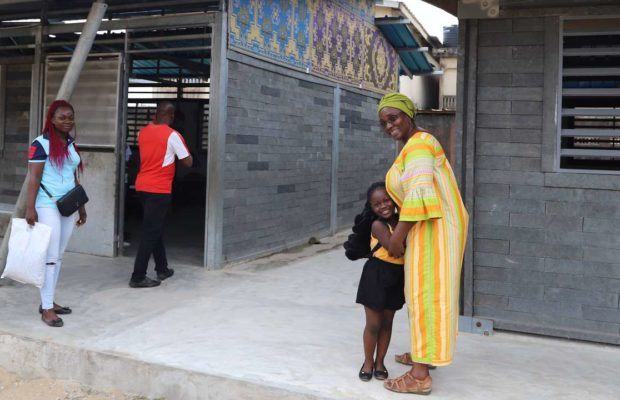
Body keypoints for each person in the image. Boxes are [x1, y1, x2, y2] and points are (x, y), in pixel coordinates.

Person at [378, 93, 469, 395]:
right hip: (431, 228)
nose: (389, 124)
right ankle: (424, 355)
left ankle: (419, 376)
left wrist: (395, 239)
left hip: (432, 229)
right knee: (427, 295)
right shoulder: (415, 145)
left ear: (408, 114)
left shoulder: (418, 145)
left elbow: (418, 194)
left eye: (394, 117)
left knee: (426, 295)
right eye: (383, 122)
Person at [26, 100, 87, 328]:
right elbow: (33, 178)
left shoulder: (70, 143)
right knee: (50, 257)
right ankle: (47, 308)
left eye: (70, 117)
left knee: (58, 256)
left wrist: (81, 205)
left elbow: (73, 176)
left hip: (67, 205)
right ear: (51, 119)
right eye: (62, 117)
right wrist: (30, 208)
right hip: (47, 205)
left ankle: (49, 300)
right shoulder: (41, 144)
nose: (67, 121)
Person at [129, 101, 192, 288]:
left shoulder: (143, 132)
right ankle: (138, 276)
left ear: (156, 114)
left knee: (154, 228)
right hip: (159, 189)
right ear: (171, 116)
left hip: (142, 186)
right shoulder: (173, 135)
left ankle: (162, 268)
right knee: (150, 231)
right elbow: (187, 162)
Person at [355, 182, 405, 382]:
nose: (383, 206)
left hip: (396, 275)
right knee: (374, 324)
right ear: (371, 207)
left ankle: (380, 362)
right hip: (376, 275)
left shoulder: (401, 221)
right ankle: (368, 361)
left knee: (387, 322)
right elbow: (396, 249)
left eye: (386, 200)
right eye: (377, 204)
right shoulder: (378, 225)